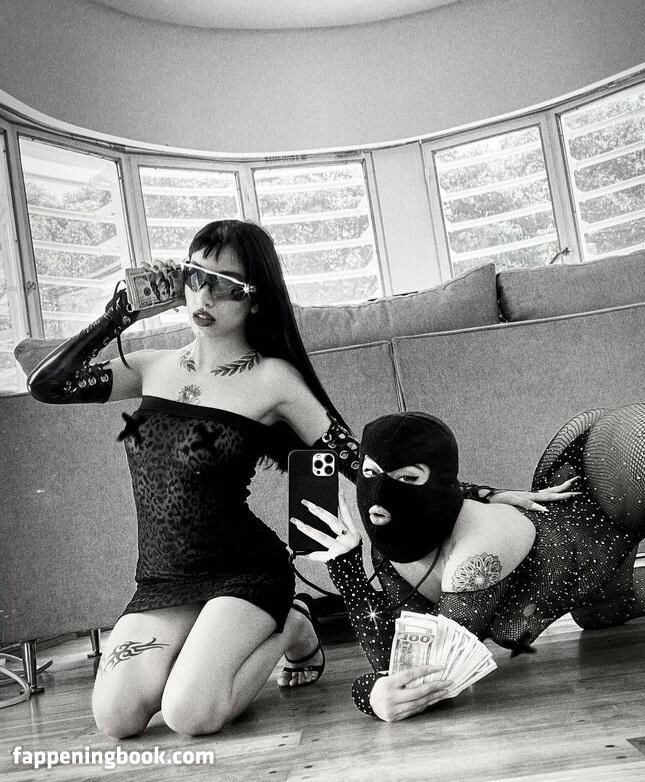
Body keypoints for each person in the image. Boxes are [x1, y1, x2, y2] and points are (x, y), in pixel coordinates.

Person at [23, 219, 564, 737]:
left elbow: (357, 461)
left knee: (190, 714)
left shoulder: (273, 380)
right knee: (116, 719)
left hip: (243, 573)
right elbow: (48, 387)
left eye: (225, 285)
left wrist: (482, 493)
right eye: (195, 276)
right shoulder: (148, 366)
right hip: (163, 580)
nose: (204, 296)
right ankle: (212, 643)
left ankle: (291, 623)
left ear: (255, 298)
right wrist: (120, 313)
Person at [294, 406, 645, 722]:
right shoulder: (390, 544)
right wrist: (344, 563)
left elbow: (426, 680)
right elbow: (397, 665)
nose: (380, 494)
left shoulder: (477, 555)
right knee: (600, 614)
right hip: (586, 520)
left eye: (408, 478)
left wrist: (368, 691)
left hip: (639, 454)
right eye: (371, 473)